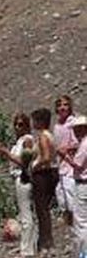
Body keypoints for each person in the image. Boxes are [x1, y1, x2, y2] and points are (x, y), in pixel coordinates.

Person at [0, 114, 36, 257]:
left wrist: (7, 153)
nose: (18, 128)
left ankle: (27, 249)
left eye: (21, 125)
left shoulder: (27, 141)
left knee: (26, 214)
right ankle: (29, 245)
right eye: (16, 125)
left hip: (23, 177)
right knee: (24, 213)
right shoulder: (19, 142)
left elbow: (25, 162)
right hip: (17, 176)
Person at [29, 108, 59, 252]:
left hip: (43, 173)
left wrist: (35, 165)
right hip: (51, 172)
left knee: (42, 208)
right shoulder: (50, 135)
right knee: (44, 207)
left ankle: (46, 241)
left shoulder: (42, 136)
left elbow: (46, 156)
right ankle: (46, 240)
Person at [58, 115, 87, 257]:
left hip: (83, 184)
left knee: (81, 221)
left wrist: (65, 156)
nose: (75, 132)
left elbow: (78, 165)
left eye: (76, 129)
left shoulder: (85, 144)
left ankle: (83, 253)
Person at [53, 95, 78, 226]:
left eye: (65, 105)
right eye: (60, 105)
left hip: (71, 165)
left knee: (71, 196)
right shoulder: (57, 126)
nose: (62, 108)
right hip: (61, 166)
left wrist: (65, 149)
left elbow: (78, 142)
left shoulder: (72, 123)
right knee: (61, 196)